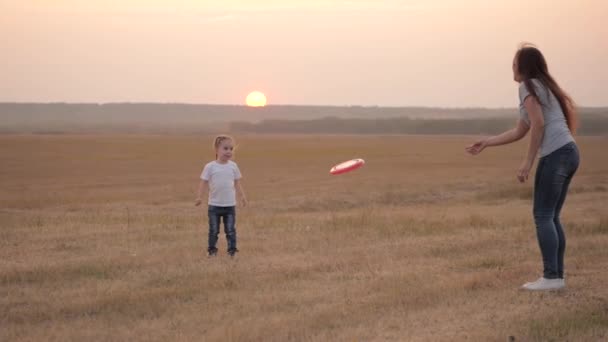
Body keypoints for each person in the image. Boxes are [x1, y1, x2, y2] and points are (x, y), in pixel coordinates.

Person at [466, 44, 580, 291]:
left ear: (523, 66)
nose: (512, 66)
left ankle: (551, 277)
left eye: (515, 62)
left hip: (556, 154)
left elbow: (538, 124)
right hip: (570, 152)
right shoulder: (544, 87)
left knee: (543, 216)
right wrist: (486, 142)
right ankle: (556, 277)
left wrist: (528, 162)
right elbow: (521, 129)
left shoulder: (527, 86)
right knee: (551, 216)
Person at [195, 135, 248, 257]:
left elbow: (237, 183)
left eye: (231, 148)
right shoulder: (210, 167)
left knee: (230, 230)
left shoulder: (233, 166)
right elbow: (203, 182)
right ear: (216, 149)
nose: (229, 151)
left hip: (230, 206)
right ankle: (212, 251)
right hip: (214, 206)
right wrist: (199, 197)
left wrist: (242, 196)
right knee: (214, 230)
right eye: (225, 148)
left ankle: (232, 252)